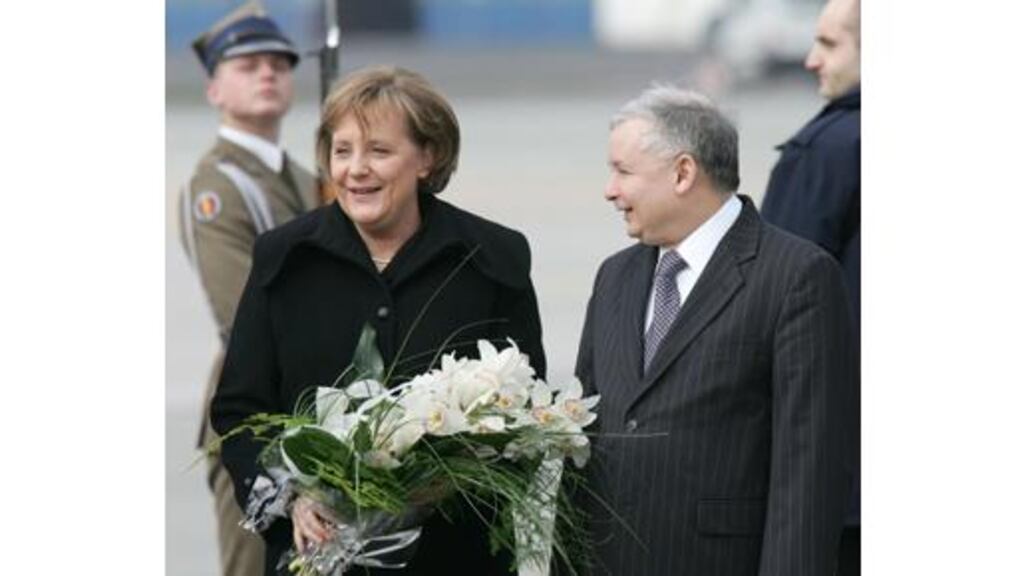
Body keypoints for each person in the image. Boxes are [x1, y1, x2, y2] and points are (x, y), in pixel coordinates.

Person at [210, 66, 546, 576]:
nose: (356, 169)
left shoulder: (491, 257)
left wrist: (449, 479)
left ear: (427, 158)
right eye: (342, 152)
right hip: (317, 557)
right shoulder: (283, 259)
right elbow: (239, 413)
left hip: (454, 556)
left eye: (379, 152)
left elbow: (523, 410)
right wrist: (293, 499)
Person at [574, 85, 855, 575]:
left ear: (683, 172)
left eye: (622, 171)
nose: (610, 190)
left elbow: (808, 471)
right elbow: (584, 435)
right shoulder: (614, 276)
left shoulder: (796, 275)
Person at [178, 2, 319, 575]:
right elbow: (241, 313)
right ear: (215, 88)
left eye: (279, 64)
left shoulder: (309, 178)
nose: (267, 73)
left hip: (314, 401)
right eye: (248, 65)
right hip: (255, 410)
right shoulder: (217, 189)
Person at [760, 0, 860, 572]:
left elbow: (776, 304)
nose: (809, 59)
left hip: (841, 478)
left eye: (829, 43)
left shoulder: (829, 149)